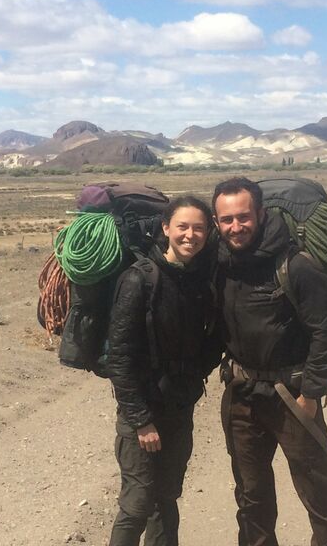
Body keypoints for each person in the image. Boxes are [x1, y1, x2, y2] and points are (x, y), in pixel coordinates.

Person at [212, 177, 327, 546]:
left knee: (320, 494)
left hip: (292, 395)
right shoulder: (219, 264)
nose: (236, 227)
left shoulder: (294, 264)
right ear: (216, 222)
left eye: (243, 217)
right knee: (251, 498)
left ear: (260, 213)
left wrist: (312, 392)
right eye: (226, 220)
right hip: (242, 396)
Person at [106, 195, 222, 546]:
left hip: (179, 408)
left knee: (167, 497)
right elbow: (120, 358)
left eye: (199, 228)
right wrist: (141, 420)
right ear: (166, 228)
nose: (191, 235)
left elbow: (211, 342)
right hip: (143, 413)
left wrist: (190, 376)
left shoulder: (199, 280)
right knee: (138, 503)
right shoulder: (140, 280)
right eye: (183, 227)